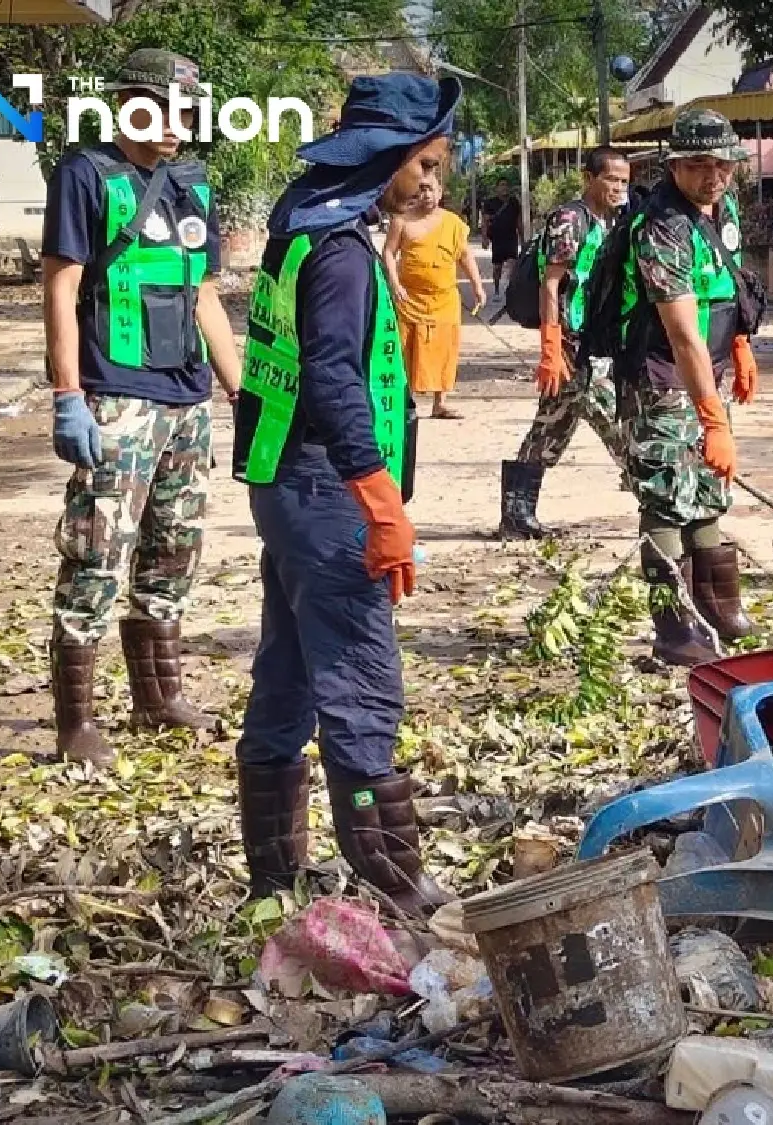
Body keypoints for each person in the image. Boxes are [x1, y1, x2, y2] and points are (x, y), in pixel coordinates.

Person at [230, 73, 462, 916]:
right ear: (385, 160)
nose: (432, 184)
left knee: (288, 672)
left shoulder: (306, 216)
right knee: (362, 677)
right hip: (324, 488)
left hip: (285, 478)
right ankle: (397, 883)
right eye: (423, 165)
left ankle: (273, 884)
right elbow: (331, 374)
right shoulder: (338, 253)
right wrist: (380, 501)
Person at [41, 48, 242, 767]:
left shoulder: (192, 186)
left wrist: (237, 388)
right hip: (117, 397)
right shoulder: (86, 176)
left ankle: (159, 698)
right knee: (96, 553)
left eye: (187, 113)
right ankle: (78, 720)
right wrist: (68, 397)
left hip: (186, 401)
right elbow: (61, 288)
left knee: (173, 553)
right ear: (128, 104)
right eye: (164, 111)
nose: (178, 127)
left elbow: (206, 297)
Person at [586, 109, 764, 665]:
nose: (712, 176)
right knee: (666, 496)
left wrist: (740, 342)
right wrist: (713, 420)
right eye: (696, 165)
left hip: (706, 372)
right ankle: (674, 625)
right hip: (662, 378)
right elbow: (682, 335)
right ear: (674, 166)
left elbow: (726, 281)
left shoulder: (719, 210)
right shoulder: (662, 227)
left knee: (709, 488)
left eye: (722, 165)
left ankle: (718, 604)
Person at [499, 146, 632, 539]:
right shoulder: (570, 219)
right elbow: (552, 284)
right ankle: (656, 499)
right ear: (589, 179)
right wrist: (551, 347)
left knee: (552, 425)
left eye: (624, 181)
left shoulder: (610, 221)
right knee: (619, 424)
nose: (618, 188)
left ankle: (516, 514)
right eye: (611, 179)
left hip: (594, 342)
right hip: (572, 345)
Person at [382, 178, 486, 419]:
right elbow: (389, 252)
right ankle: (405, 402)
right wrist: (395, 283)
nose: (426, 194)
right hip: (410, 299)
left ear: (440, 192)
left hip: (444, 300)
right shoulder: (402, 220)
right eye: (421, 189)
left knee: (444, 350)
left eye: (431, 189)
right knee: (406, 348)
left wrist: (477, 285)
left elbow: (464, 256)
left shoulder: (452, 223)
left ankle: (440, 402)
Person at [485, 192, 522, 291]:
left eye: (506, 185)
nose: (504, 188)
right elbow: (486, 221)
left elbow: (518, 221)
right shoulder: (491, 203)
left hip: (511, 238)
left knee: (513, 265)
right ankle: (496, 289)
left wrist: (522, 238)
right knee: (497, 267)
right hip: (497, 238)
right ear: (497, 188)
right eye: (501, 185)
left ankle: (512, 289)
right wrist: (485, 238)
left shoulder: (514, 203)